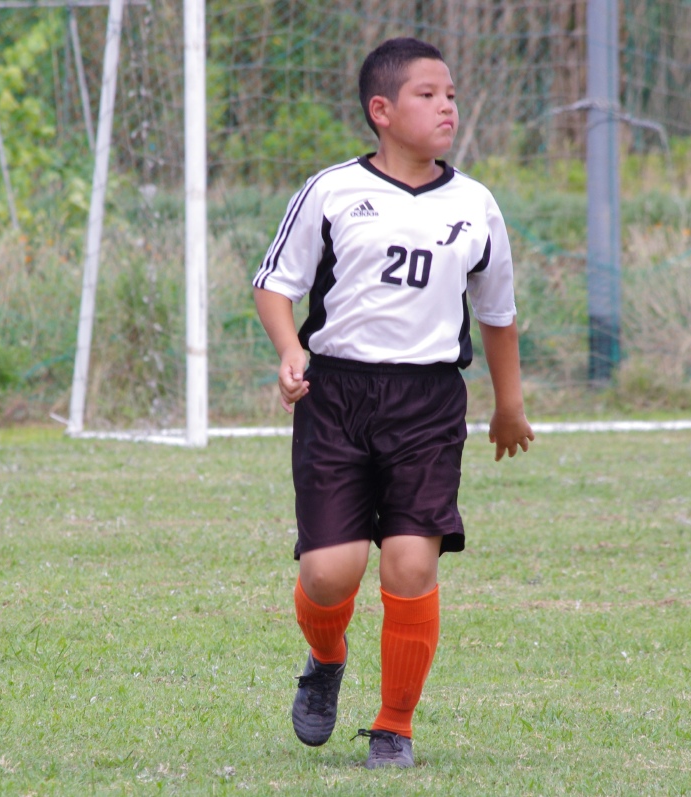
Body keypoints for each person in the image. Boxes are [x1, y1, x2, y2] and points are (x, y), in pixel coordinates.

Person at [252, 36, 534, 770]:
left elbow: (497, 313)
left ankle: (394, 726)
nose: (447, 108)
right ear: (381, 110)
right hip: (336, 396)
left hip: (428, 402)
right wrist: (289, 349)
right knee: (329, 574)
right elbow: (275, 285)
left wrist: (509, 404)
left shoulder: (475, 204)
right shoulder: (332, 191)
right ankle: (326, 657)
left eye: (451, 95)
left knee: (410, 564)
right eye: (427, 95)